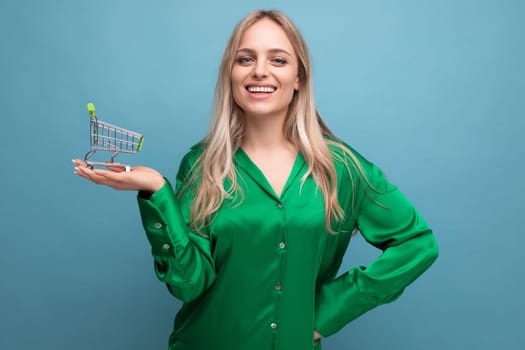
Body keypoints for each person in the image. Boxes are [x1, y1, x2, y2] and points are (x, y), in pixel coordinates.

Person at [73, 9, 439, 350]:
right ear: (230, 75)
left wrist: (328, 311)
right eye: (245, 59)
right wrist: (157, 191)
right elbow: (188, 283)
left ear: (298, 78)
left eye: (278, 60)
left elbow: (416, 243)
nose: (259, 71)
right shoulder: (201, 166)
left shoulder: (342, 169)